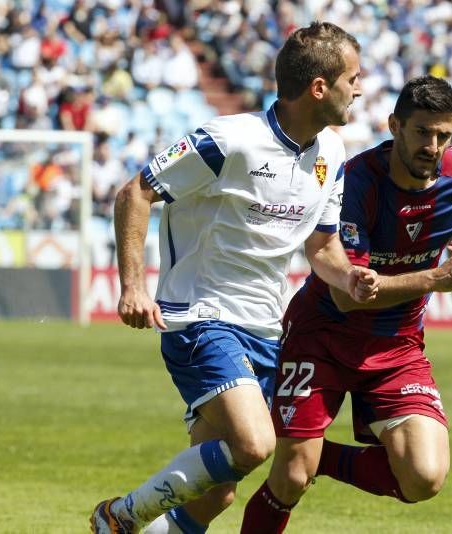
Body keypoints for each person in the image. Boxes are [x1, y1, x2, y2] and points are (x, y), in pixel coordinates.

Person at [90, 22, 380, 534]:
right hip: (201, 316)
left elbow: (323, 248)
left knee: (217, 492)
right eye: (352, 78)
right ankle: (120, 517)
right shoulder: (229, 139)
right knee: (254, 444)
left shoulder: (332, 155)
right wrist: (133, 287)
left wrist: (350, 278)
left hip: (267, 328)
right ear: (319, 87)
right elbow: (134, 194)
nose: (359, 88)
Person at [239, 75, 452, 533]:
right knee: (290, 479)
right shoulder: (357, 183)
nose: (433, 146)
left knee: (424, 477)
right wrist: (437, 277)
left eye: (444, 135)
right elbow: (349, 295)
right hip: (324, 335)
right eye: (422, 132)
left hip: (398, 346)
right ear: (394, 125)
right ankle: (303, 456)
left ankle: (318, 454)